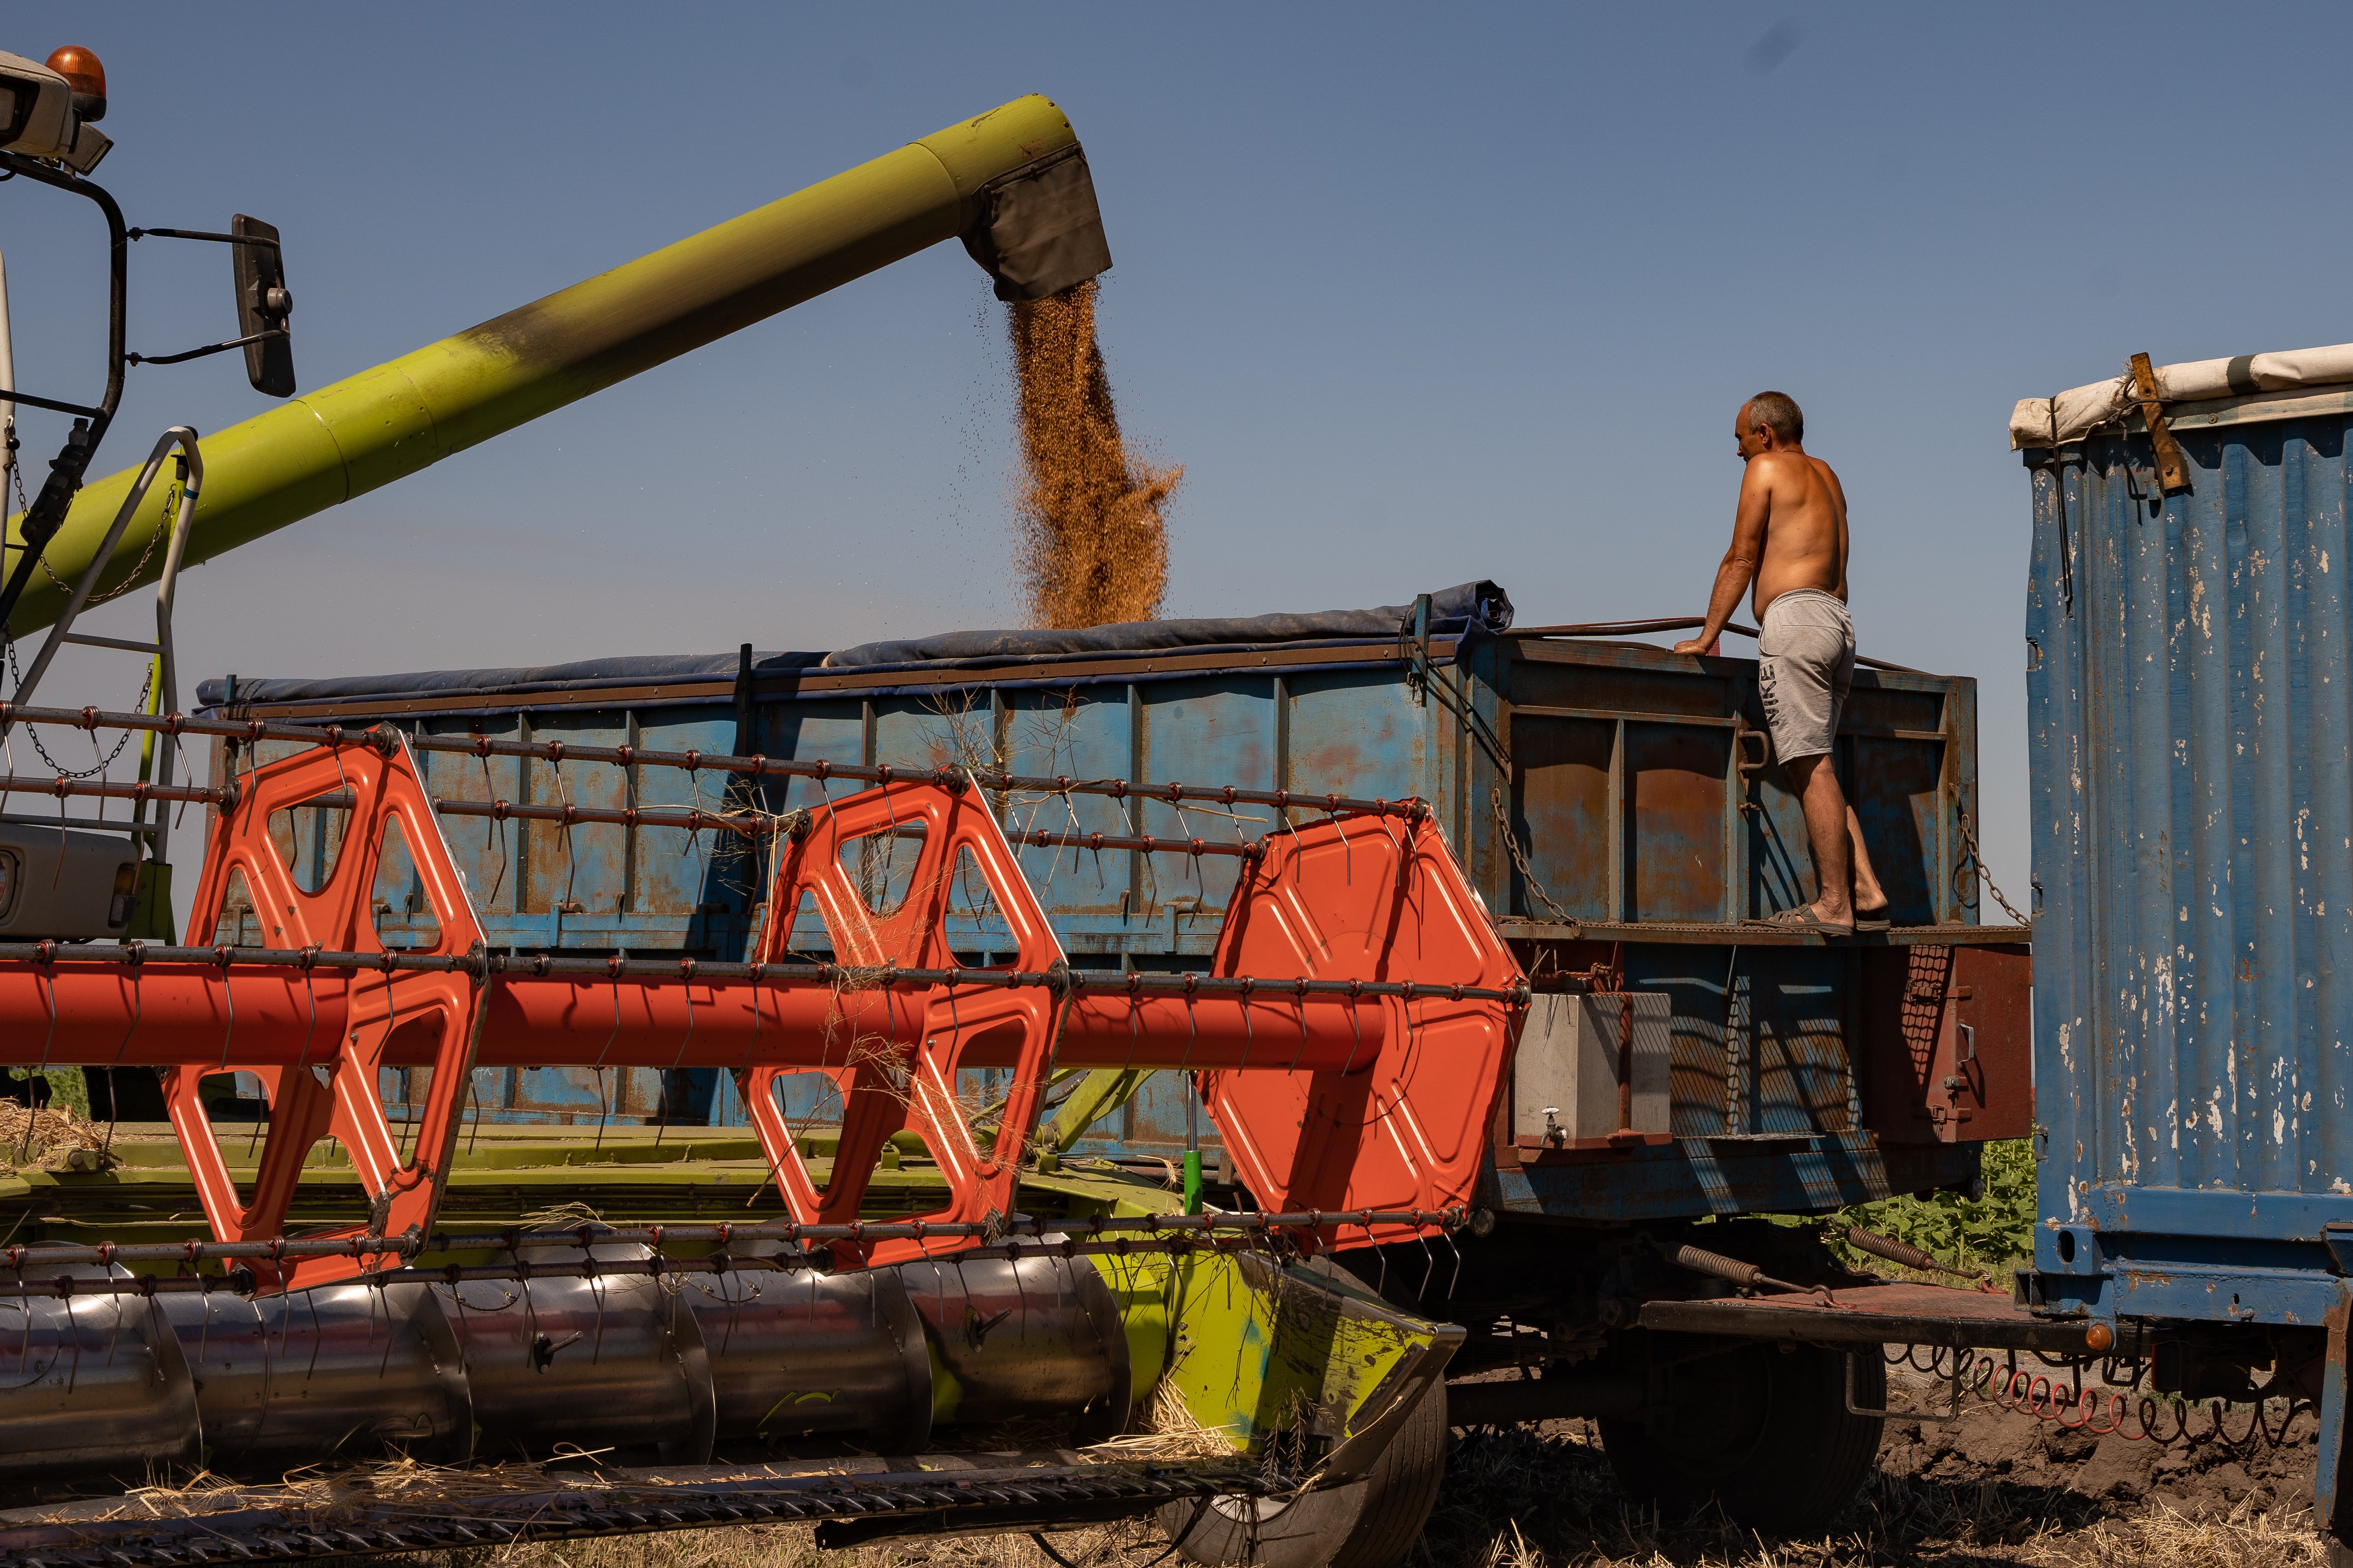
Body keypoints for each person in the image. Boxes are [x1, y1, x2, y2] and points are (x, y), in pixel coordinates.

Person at [1674, 392, 1889, 935]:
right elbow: (1840, 568)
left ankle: (1834, 904)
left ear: (1765, 434)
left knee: (1807, 764)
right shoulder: (1828, 475)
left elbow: (1741, 556)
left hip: (1794, 622)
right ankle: (1864, 887)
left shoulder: (1766, 468)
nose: (1739, 452)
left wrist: (1707, 635)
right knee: (1819, 764)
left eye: (1741, 439)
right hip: (1837, 621)